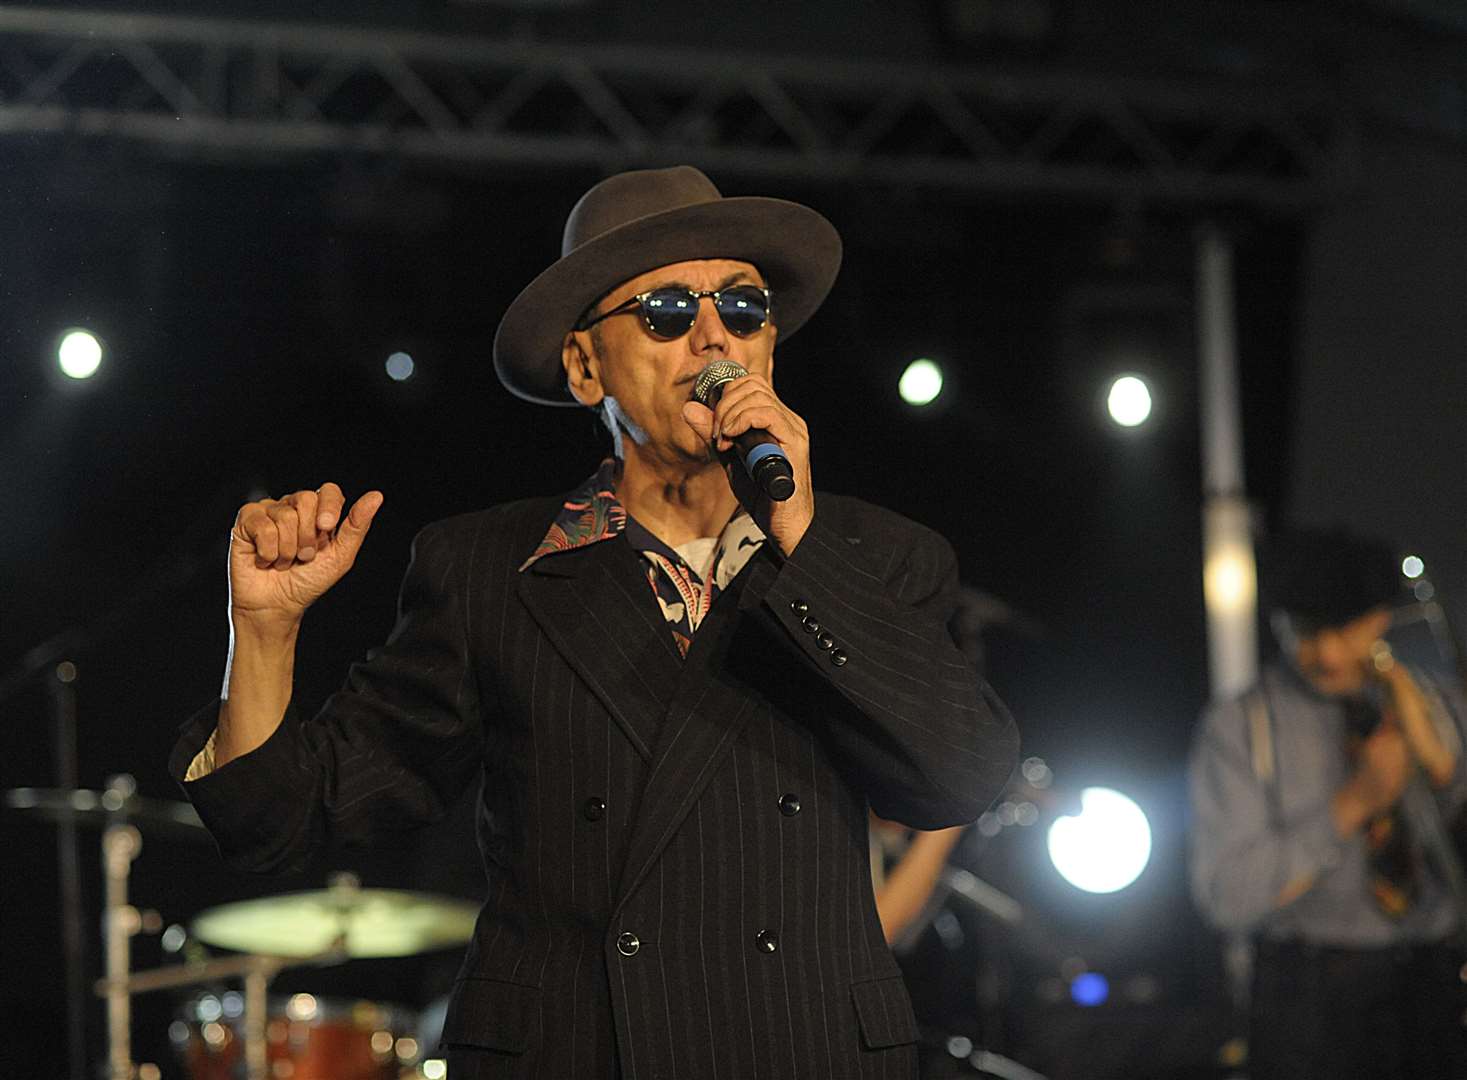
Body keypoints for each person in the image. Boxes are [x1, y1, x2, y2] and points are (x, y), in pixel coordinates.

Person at [170, 165, 1019, 1079]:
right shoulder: (490, 568)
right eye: (663, 310)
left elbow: (960, 776)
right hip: (578, 1051)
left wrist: (801, 543)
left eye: (742, 306)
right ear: (585, 368)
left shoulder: (880, 556)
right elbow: (283, 818)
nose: (711, 337)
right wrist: (261, 632)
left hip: (802, 1048)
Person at [1188, 527, 1467, 1080]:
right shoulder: (1240, 727)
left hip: (1431, 979)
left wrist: (1437, 764)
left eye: (1346, 629)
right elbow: (1226, 896)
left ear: (1380, 619)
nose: (1326, 652)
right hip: (1311, 992)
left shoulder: (1430, 701)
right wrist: (1353, 803)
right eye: (1304, 631)